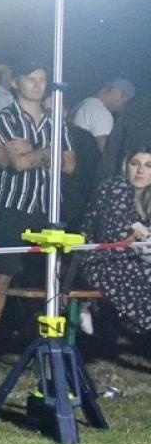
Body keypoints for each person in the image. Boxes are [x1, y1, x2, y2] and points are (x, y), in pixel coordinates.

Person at [0, 61, 75, 346]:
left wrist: (36, 150)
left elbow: (70, 164)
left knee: (49, 276)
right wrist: (50, 153)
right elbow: (18, 164)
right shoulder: (6, 118)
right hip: (13, 204)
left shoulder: (55, 120)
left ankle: (43, 338)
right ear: (15, 83)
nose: (37, 84)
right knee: (2, 276)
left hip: (48, 208)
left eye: (42, 79)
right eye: (31, 78)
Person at [80, 146, 151, 344]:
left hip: (134, 260)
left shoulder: (147, 196)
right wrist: (135, 241)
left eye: (148, 166)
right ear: (125, 166)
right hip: (102, 260)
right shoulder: (115, 189)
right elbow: (114, 239)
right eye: (135, 164)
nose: (140, 171)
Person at [70, 78, 136, 156]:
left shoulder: (84, 104)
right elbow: (105, 151)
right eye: (125, 100)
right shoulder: (101, 112)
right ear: (116, 92)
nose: (123, 107)